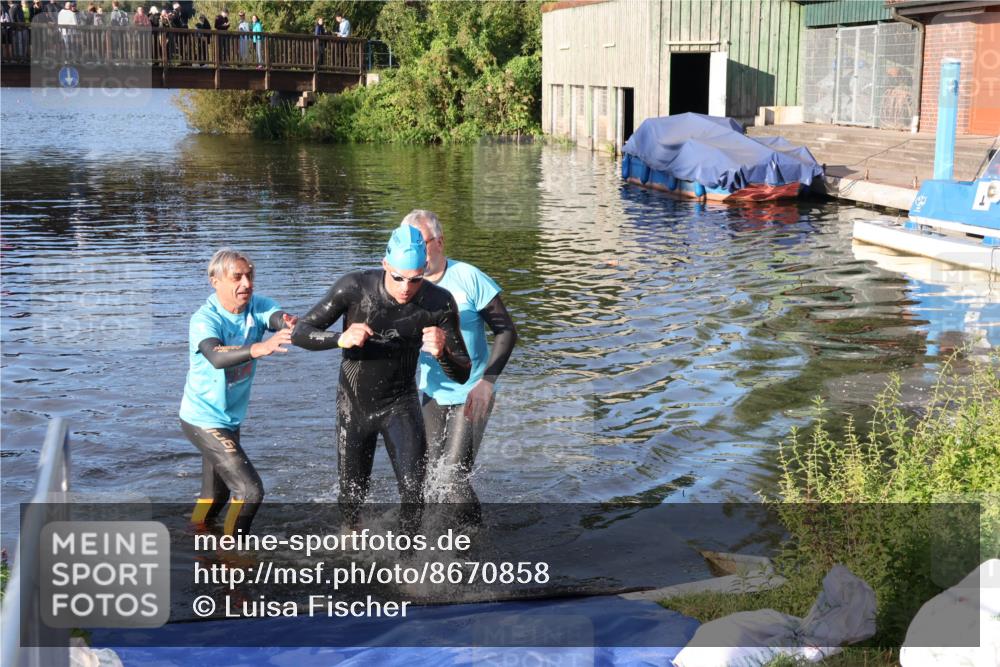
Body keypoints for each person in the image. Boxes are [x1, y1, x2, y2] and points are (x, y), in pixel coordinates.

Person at [291, 224, 471, 533]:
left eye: (415, 279)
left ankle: (409, 567)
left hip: (400, 404)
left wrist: (442, 353)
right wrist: (339, 338)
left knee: (415, 495)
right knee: (351, 495)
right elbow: (299, 332)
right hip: (354, 407)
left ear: (425, 269)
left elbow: (463, 371)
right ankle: (352, 538)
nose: (405, 288)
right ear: (385, 264)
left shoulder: (439, 302)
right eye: (398, 277)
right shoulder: (354, 288)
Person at [405, 211, 518, 526]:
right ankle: (436, 539)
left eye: (421, 242)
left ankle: (474, 542)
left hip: (473, 390)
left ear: (439, 242)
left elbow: (506, 331)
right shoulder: (406, 286)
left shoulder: (468, 277)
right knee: (427, 476)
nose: (415, 251)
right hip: (432, 391)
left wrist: (488, 382)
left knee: (454, 476)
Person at [179, 249, 296, 536]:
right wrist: (260, 347)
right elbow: (216, 355)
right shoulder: (204, 319)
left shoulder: (258, 307)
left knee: (216, 496)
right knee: (250, 490)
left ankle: (195, 539)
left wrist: (291, 323)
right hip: (202, 418)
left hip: (229, 418)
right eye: (237, 277)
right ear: (215, 280)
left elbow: (279, 318)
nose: (246, 283)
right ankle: (230, 552)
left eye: (249, 275)